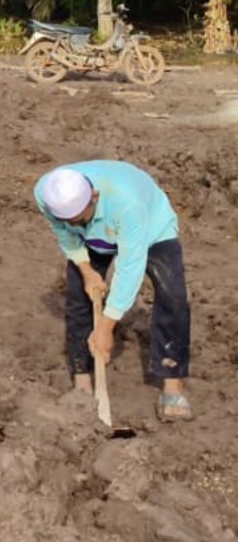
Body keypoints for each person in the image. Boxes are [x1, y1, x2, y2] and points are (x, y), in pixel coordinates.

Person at [34, 161, 193, 421]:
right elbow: (66, 235)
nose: (75, 224)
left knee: (173, 297)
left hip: (151, 229)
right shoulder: (46, 193)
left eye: (80, 218)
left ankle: (172, 384)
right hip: (95, 238)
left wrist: (106, 328)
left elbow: (129, 268)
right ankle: (83, 381)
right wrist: (86, 271)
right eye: (70, 220)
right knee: (78, 298)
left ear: (93, 197)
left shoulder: (128, 203)